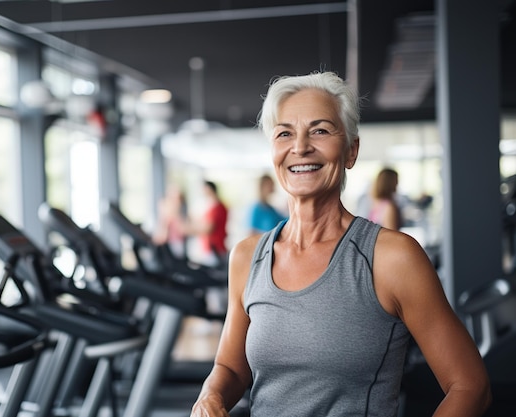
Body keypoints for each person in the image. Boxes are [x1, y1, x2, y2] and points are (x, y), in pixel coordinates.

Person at [190, 72, 491, 417]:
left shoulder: (391, 258)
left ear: (351, 150)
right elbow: (231, 368)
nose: (300, 147)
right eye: (285, 133)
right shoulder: (248, 257)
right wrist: (210, 395)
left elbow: (470, 386)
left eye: (320, 130)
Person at [187, 180, 229, 266]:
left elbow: (208, 228)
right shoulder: (212, 207)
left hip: (215, 250)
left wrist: (189, 229)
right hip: (210, 250)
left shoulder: (218, 208)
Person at [152, 185, 188, 258]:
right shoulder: (167, 211)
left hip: (176, 242)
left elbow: (182, 229)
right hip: (169, 242)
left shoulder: (179, 213)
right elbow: (162, 229)